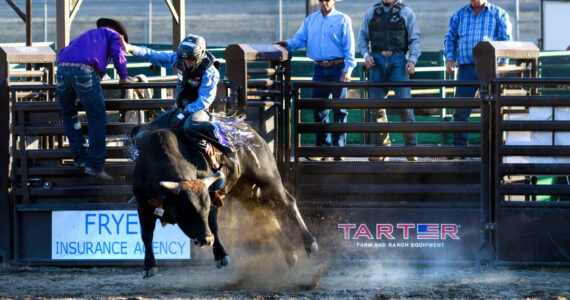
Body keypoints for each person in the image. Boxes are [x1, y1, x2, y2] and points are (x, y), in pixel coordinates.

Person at [122, 34, 221, 169]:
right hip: (180, 108)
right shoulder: (179, 58)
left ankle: (211, 158)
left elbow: (204, 101)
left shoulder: (210, 72)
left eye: (191, 59)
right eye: (184, 57)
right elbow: (154, 55)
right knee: (144, 133)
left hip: (199, 111)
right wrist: (131, 48)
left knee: (190, 127)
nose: (187, 61)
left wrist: (185, 112)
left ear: (200, 55)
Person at [274, 0, 356, 161]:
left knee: (339, 109)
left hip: (338, 67)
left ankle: (338, 151)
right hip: (319, 68)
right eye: (321, 0)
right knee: (319, 109)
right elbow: (300, 39)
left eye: (327, 0)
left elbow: (349, 46)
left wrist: (348, 68)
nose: (324, 2)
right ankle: (323, 149)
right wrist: (287, 44)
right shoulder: (311, 20)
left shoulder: (343, 19)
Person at [56, 18, 131, 181]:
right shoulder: (114, 35)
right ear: (121, 35)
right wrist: (123, 77)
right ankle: (95, 166)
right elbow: (118, 53)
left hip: (62, 70)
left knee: (69, 116)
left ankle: (81, 159)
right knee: (97, 119)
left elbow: (64, 51)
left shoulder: (87, 35)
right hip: (85, 72)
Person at [357, 0, 421, 162]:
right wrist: (366, 56)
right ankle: (382, 148)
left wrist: (412, 60)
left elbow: (415, 39)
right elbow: (362, 38)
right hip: (376, 60)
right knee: (377, 107)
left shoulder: (407, 12)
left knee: (405, 106)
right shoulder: (371, 13)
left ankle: (411, 149)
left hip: (399, 59)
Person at [444, 0, 512, 147]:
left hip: (490, 67)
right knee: (461, 109)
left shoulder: (498, 13)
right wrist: (450, 58)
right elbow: (450, 38)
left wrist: (503, 62)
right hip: (466, 67)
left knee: (492, 108)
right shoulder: (459, 15)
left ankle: (494, 147)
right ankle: (460, 148)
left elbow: (506, 39)